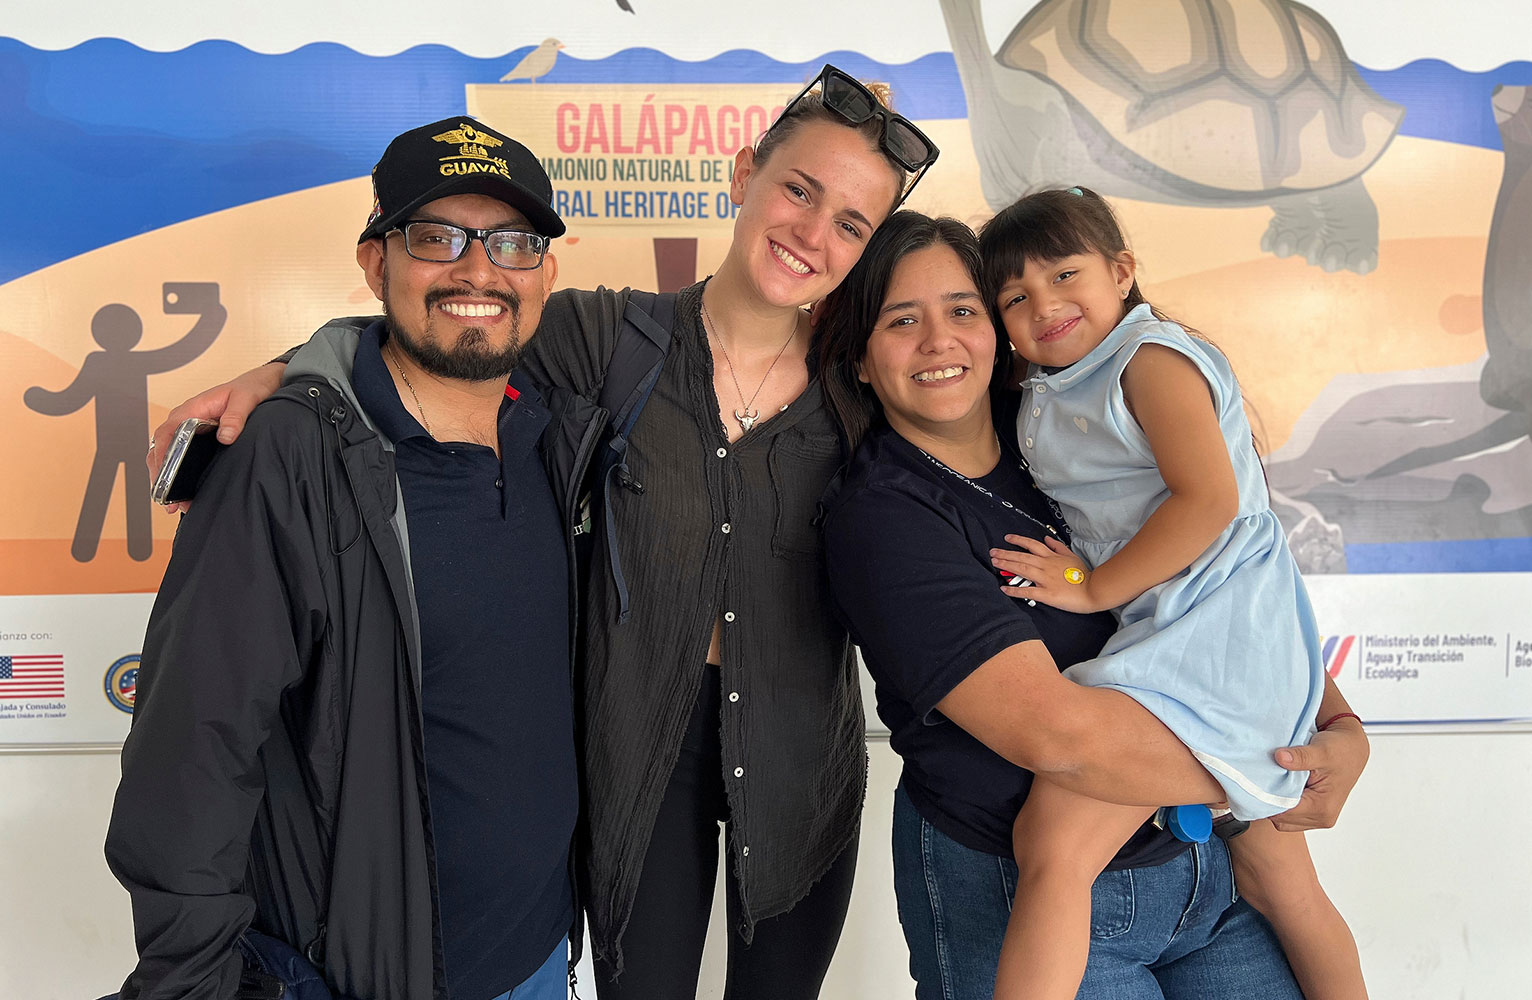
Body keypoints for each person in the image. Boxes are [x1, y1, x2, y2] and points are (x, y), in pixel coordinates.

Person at [147, 66, 940, 999]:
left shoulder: (863, 389)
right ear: (742, 174)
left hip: (802, 764)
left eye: (851, 223)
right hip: (636, 765)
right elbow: (447, 328)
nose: (812, 233)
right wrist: (284, 372)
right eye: (799, 190)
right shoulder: (608, 337)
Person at [814, 210, 1370, 999]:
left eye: (963, 309)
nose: (940, 340)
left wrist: (1335, 726)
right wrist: (1259, 762)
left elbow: (1223, 582)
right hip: (1022, 888)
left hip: (1206, 872)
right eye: (903, 321)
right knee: (1056, 845)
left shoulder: (1059, 426)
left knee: (1297, 899)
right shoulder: (886, 516)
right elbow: (1058, 736)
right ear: (862, 361)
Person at [108, 117, 591, 1000]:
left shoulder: (556, 435)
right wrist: (191, 981)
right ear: (377, 263)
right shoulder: (291, 453)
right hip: (367, 974)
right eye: (438, 238)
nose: (479, 271)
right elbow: (194, 747)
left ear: (545, 274)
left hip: (539, 957)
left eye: (513, 243)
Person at [979, 187, 1366, 1000]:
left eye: (1064, 274)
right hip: (1194, 631)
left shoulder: (1148, 359)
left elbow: (1210, 501)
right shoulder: (1053, 383)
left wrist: (1091, 588)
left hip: (1210, 637)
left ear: (1122, 272)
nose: (1043, 304)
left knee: (1054, 843)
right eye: (1015, 296)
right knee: (1278, 880)